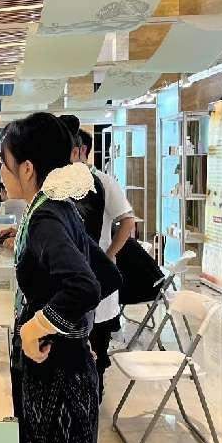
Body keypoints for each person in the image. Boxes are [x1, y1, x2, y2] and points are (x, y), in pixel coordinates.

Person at [0, 112, 101, 443]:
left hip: (56, 379)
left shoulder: (45, 216)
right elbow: (105, 273)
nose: (1, 173)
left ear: (27, 168)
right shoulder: (57, 207)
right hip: (68, 365)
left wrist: (35, 327)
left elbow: (85, 285)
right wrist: (78, 330)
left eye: (4, 164)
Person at [75, 128, 135, 400]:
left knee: (97, 345)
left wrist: (109, 256)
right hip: (74, 280)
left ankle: (95, 396)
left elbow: (128, 221)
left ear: (81, 151)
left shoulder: (102, 182)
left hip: (99, 279)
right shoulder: (62, 184)